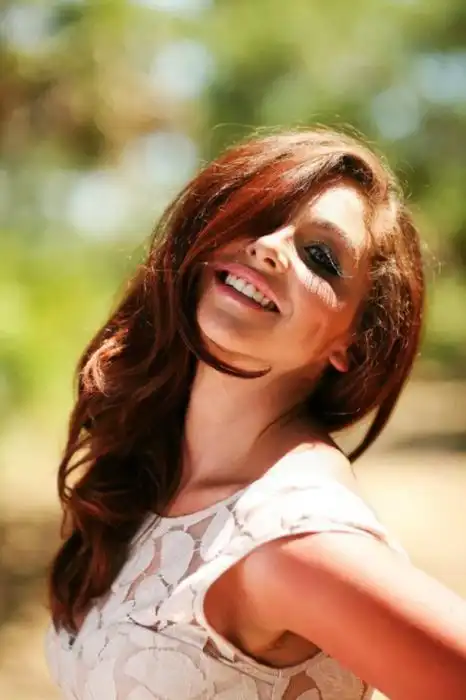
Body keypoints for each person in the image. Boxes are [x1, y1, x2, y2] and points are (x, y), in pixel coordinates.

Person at [45, 128, 466, 700]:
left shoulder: (296, 543)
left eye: (321, 257)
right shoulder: (153, 468)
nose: (270, 245)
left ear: (351, 342)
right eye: (257, 215)